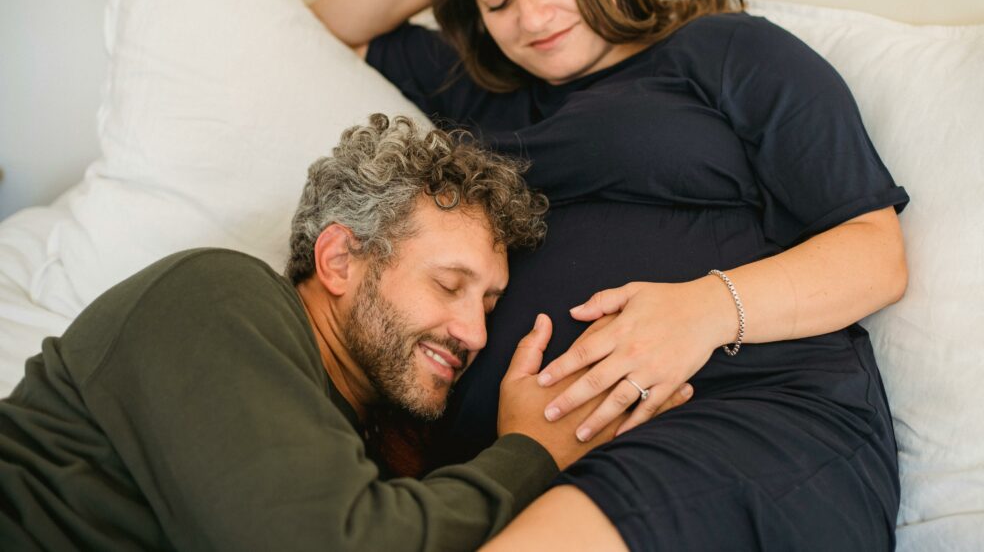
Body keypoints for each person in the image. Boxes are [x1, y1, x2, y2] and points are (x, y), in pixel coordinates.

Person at [312, 0, 910, 549]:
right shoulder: (482, 100)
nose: (532, 18)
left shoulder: (726, 50)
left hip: (741, 414)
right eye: (498, 0)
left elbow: (875, 253)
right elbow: (320, 28)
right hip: (527, 462)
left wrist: (704, 309)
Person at [0, 115, 659, 551]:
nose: (475, 332)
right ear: (340, 258)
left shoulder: (356, 439)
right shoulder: (218, 296)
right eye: (449, 283)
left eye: (489, 302)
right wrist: (527, 450)